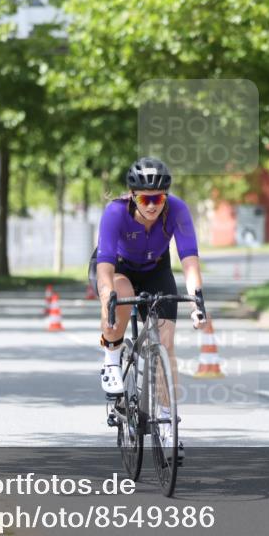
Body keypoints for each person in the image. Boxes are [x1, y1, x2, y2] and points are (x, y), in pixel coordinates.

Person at [89, 157, 206, 460]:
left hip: (156, 269)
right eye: (145, 198)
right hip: (117, 268)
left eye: (158, 198)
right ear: (132, 196)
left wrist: (197, 299)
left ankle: (167, 423)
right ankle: (112, 358)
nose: (152, 205)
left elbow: (189, 258)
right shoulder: (116, 212)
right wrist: (107, 296)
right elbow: (104, 265)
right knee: (120, 293)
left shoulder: (176, 210)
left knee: (165, 345)